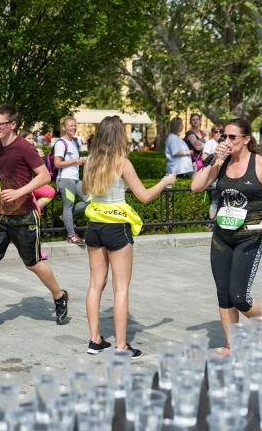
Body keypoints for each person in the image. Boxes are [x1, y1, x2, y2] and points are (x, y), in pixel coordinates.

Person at [0, 104, 69, 330]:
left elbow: (44, 177)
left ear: (12, 124)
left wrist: (20, 193)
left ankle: (59, 296)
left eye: (0, 124)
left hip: (25, 216)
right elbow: (10, 179)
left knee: (33, 264)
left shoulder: (24, 147)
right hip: (3, 214)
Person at [83, 116, 176, 359]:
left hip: (95, 226)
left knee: (95, 285)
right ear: (119, 136)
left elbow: (85, 190)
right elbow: (145, 196)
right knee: (121, 288)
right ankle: (121, 346)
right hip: (117, 227)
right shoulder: (122, 162)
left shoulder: (90, 161)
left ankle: (95, 340)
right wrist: (165, 181)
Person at [190, 118, 262, 349]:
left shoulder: (260, 163)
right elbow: (195, 186)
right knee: (224, 295)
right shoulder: (220, 162)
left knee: (239, 297)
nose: (227, 140)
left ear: (246, 139)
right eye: (224, 136)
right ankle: (231, 346)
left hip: (249, 236)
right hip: (222, 237)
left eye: (232, 137)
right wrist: (213, 159)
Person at [54, 116, 91, 246]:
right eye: (71, 125)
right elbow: (57, 164)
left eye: (75, 125)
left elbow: (73, 161)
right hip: (65, 179)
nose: (74, 127)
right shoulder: (60, 143)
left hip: (75, 179)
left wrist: (81, 160)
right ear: (64, 128)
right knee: (68, 206)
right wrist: (75, 161)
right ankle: (71, 235)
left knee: (91, 199)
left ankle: (65, 217)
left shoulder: (74, 142)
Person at [20, 130, 56, 214]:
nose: (32, 140)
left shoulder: (33, 150)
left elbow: (39, 171)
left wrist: (39, 159)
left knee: (50, 192)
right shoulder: (20, 151)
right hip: (23, 184)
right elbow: (23, 168)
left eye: (33, 138)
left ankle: (34, 211)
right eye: (29, 138)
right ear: (22, 139)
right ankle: (33, 213)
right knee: (33, 211)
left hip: (31, 182)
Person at [202, 125, 224, 230]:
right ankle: (211, 223)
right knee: (216, 199)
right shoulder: (210, 143)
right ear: (212, 133)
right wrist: (214, 159)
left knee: (222, 199)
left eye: (221, 131)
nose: (218, 133)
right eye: (216, 131)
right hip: (214, 174)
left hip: (222, 174)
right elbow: (204, 157)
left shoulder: (223, 143)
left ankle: (218, 223)